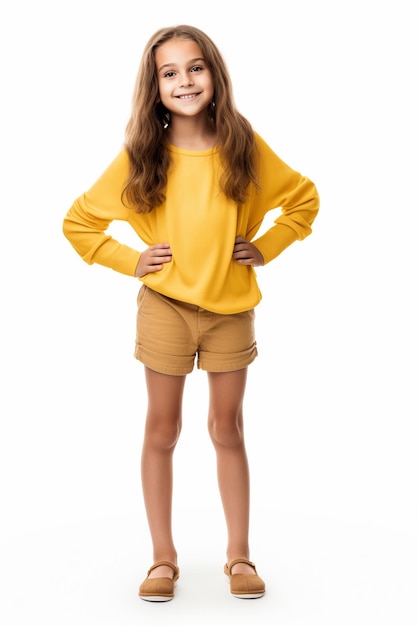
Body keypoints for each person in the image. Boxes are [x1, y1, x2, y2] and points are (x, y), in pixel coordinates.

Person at [63, 24, 319, 602]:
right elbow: (79, 224)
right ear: (154, 88)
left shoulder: (243, 145)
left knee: (227, 429)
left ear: (215, 74)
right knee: (162, 428)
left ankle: (239, 557)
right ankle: (162, 560)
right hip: (165, 310)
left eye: (195, 67)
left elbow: (304, 198)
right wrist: (132, 261)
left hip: (230, 310)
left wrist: (268, 246)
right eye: (170, 72)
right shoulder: (142, 155)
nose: (185, 80)